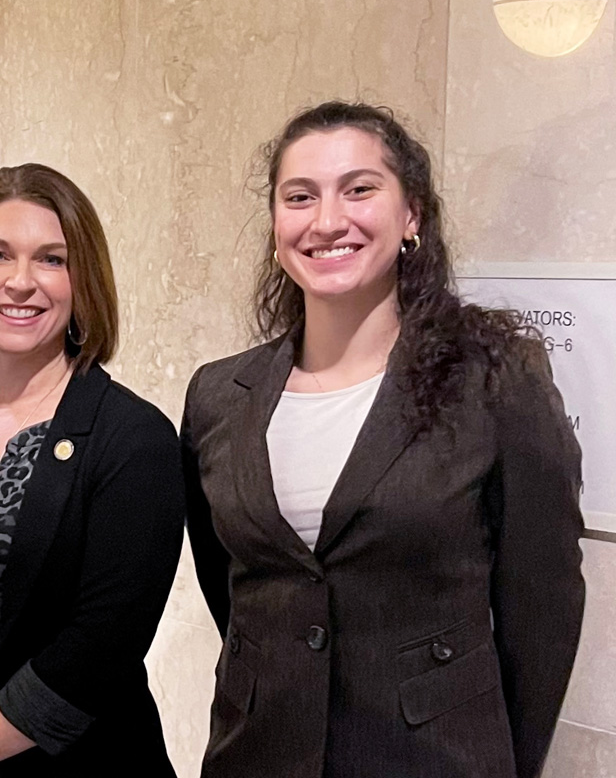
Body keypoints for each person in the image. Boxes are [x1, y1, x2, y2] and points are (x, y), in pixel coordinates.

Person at [181, 101, 586, 778]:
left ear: (412, 216)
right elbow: (236, 593)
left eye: (359, 189)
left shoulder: (493, 380)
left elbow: (542, 608)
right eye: (300, 197)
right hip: (255, 757)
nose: (328, 220)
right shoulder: (219, 396)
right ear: (277, 224)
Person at [0, 164, 184, 777]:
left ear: (83, 284)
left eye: (51, 260)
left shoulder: (132, 439)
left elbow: (97, 649)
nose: (21, 282)